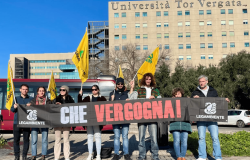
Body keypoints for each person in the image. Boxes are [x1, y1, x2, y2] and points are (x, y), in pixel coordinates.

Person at [191, 75, 230, 160]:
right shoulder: (195, 92)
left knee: (215, 138)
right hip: (201, 119)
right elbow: (191, 104)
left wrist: (224, 100)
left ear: (207, 81)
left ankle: (218, 157)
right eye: (200, 81)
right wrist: (193, 99)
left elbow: (217, 101)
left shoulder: (213, 91)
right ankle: (202, 156)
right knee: (201, 138)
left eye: (203, 81)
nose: (201, 83)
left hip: (212, 119)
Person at [129, 73, 161, 160]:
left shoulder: (156, 90)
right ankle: (142, 155)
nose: (148, 81)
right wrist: (132, 87)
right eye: (147, 79)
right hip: (141, 117)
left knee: (154, 138)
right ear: (144, 80)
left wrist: (155, 98)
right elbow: (131, 99)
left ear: (151, 80)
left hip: (153, 117)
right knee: (141, 138)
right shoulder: (139, 90)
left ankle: (155, 156)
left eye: (150, 79)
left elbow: (161, 101)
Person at [78, 85, 107, 160]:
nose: (94, 91)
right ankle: (90, 154)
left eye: (95, 89)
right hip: (89, 120)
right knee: (90, 137)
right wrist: (79, 95)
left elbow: (106, 107)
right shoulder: (88, 98)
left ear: (98, 90)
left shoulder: (102, 98)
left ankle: (98, 155)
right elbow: (80, 104)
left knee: (98, 137)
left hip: (98, 121)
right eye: (92, 89)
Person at [27, 87, 53, 160]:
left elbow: (51, 109)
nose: (41, 92)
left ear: (44, 92)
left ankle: (43, 155)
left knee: (44, 139)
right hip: (35, 122)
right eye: (40, 91)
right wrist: (28, 105)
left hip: (44, 122)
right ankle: (33, 155)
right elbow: (29, 109)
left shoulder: (48, 101)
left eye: (43, 91)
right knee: (34, 139)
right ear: (37, 92)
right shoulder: (33, 101)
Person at [109, 78, 132, 160]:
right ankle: (116, 153)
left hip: (125, 118)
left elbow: (132, 101)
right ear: (116, 85)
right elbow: (108, 106)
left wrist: (129, 100)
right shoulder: (112, 93)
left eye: (121, 84)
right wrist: (111, 99)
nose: (120, 85)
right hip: (115, 118)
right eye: (118, 84)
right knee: (116, 136)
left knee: (125, 136)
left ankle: (126, 154)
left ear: (123, 84)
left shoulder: (127, 93)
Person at [11, 84, 33, 160]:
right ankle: (17, 156)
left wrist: (31, 106)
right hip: (17, 122)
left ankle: (24, 156)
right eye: (23, 89)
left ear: (28, 90)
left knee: (26, 140)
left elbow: (34, 110)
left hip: (26, 122)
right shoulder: (15, 99)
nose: (24, 90)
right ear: (20, 90)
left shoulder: (31, 99)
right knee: (16, 140)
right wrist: (14, 107)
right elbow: (12, 110)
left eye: (26, 89)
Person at [169, 88, 192, 160]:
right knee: (176, 141)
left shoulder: (186, 101)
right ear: (173, 95)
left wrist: (190, 100)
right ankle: (178, 156)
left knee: (184, 141)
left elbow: (191, 110)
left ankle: (183, 156)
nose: (177, 95)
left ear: (182, 94)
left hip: (185, 124)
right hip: (175, 124)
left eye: (178, 93)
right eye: (175, 94)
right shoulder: (170, 102)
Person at [54, 85, 75, 160]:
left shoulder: (70, 98)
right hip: (57, 121)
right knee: (57, 140)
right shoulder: (56, 98)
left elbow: (73, 108)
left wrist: (62, 105)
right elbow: (51, 108)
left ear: (66, 91)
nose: (61, 91)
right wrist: (55, 105)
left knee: (66, 140)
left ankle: (67, 157)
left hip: (66, 122)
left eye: (63, 90)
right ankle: (56, 157)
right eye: (60, 90)